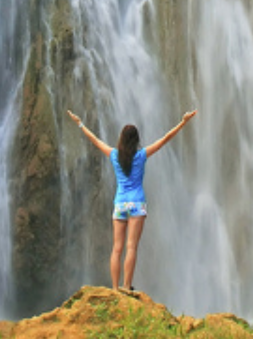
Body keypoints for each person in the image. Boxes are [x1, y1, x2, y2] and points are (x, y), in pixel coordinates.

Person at [66, 107, 196, 294]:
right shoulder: (141, 156)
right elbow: (164, 139)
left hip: (120, 204)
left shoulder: (113, 155)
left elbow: (94, 140)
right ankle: (127, 286)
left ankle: (114, 288)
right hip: (137, 203)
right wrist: (183, 122)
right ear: (136, 140)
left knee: (116, 248)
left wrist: (80, 123)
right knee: (131, 247)